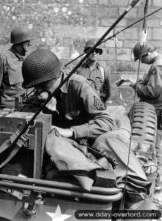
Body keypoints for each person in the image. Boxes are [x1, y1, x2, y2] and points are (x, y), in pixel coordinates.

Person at [22, 49, 151, 208]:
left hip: (95, 139)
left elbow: (106, 121)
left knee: (104, 148)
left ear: (55, 77)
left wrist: (71, 132)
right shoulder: (45, 94)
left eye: (42, 85)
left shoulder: (79, 86)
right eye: (36, 87)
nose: (39, 91)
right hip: (70, 146)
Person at [127, 42, 162, 190]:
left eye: (141, 59)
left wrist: (135, 85)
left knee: (154, 146)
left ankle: (156, 180)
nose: (141, 62)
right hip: (158, 111)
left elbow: (153, 92)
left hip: (155, 113)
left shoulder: (156, 66)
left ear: (147, 54)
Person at [0, 26, 31, 108]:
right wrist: (5, 98)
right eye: (27, 42)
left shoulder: (25, 59)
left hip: (23, 105)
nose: (30, 44)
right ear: (20, 42)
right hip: (8, 107)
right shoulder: (3, 58)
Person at [76, 39, 111, 104]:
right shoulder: (78, 70)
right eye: (92, 50)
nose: (94, 53)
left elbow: (108, 92)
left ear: (99, 52)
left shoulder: (104, 71)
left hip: (97, 107)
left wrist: (101, 102)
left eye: (97, 50)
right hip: (81, 106)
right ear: (86, 52)